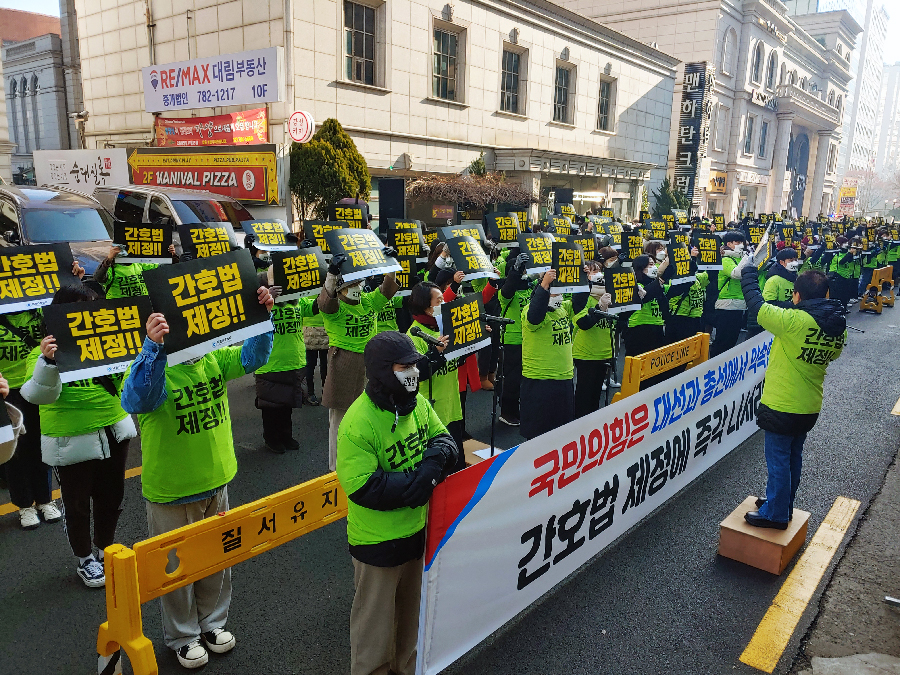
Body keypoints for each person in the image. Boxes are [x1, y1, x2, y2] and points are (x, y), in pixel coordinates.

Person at [120, 287, 274, 669]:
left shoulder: (214, 360)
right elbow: (135, 400)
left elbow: (254, 356)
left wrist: (261, 318)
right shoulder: (153, 365)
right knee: (176, 569)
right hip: (173, 489)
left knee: (218, 559)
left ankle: (212, 623)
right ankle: (182, 635)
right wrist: (152, 348)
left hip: (217, 480)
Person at [335, 332, 458, 675]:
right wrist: (416, 484)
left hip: (417, 533)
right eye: (405, 367)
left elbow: (445, 440)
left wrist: (431, 469)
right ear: (382, 370)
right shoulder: (358, 422)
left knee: (409, 622)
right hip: (376, 542)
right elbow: (362, 487)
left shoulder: (416, 403)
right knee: (373, 632)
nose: (413, 373)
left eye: (415, 365)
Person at [21, 284, 136, 588]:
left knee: (112, 497)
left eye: (94, 306)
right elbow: (35, 396)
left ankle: (105, 548)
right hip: (70, 440)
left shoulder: (110, 344)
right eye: (79, 308)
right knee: (76, 503)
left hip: (115, 429)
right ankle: (85, 558)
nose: (89, 314)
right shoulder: (42, 352)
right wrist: (47, 363)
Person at [740, 266, 846, 529]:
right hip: (809, 405)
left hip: (782, 404)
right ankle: (782, 503)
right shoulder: (838, 328)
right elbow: (833, 356)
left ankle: (775, 514)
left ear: (797, 296)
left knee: (778, 461)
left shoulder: (792, 321)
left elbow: (756, 303)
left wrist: (749, 272)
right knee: (793, 458)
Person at [2, 259, 83, 529]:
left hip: (37, 381)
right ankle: (24, 505)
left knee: (41, 444)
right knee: (14, 451)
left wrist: (73, 280)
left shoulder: (38, 309)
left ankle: (45, 500)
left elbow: (69, 308)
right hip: (6, 392)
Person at [319, 252, 399, 471]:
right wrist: (332, 274)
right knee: (340, 419)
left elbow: (387, 289)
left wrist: (390, 265)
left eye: (360, 283)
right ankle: (336, 467)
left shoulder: (368, 301)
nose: (358, 287)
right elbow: (325, 302)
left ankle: (365, 459)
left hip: (369, 366)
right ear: (341, 287)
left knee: (369, 414)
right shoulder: (335, 308)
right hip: (343, 366)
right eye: (352, 284)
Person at [406, 282, 468, 470]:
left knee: (457, 465)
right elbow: (416, 375)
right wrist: (436, 353)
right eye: (439, 300)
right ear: (426, 307)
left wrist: (474, 339)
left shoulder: (445, 328)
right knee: (438, 467)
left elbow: (458, 361)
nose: (445, 303)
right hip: (432, 412)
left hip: (453, 406)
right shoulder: (414, 335)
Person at [255, 292, 318, 454]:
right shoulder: (261, 301)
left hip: (293, 361)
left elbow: (316, 307)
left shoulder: (297, 300)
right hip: (269, 363)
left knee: (287, 404)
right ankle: (271, 438)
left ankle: (286, 435)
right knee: (270, 406)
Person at [520, 269, 575, 440]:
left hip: (564, 378)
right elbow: (535, 317)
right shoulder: (530, 310)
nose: (559, 293)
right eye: (555, 289)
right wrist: (544, 284)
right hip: (540, 380)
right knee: (538, 434)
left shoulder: (562, 308)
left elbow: (579, 303)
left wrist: (584, 278)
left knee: (562, 432)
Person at [572, 261, 614, 418]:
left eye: (599, 270)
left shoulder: (609, 295)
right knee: (584, 395)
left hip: (604, 351)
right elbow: (584, 323)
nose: (598, 274)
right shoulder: (581, 298)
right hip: (586, 353)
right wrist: (599, 309)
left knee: (596, 395)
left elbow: (621, 322)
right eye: (592, 271)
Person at [497, 251, 533, 426]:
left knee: (523, 378)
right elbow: (509, 286)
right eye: (522, 270)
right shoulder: (506, 292)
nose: (525, 274)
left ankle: (518, 409)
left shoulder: (528, 287)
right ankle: (507, 412)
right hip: (512, 340)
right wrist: (516, 270)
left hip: (529, 339)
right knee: (511, 379)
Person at [712, 231, 751, 357]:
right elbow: (736, 274)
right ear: (729, 244)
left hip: (739, 304)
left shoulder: (741, 258)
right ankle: (713, 365)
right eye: (737, 242)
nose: (741, 245)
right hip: (726, 304)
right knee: (722, 341)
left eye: (742, 242)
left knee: (732, 341)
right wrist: (747, 257)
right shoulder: (726, 259)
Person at [623, 254, 669, 362]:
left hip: (657, 326)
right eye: (650, 264)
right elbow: (646, 295)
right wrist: (660, 280)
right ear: (641, 267)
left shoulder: (654, 284)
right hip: (639, 328)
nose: (654, 267)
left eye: (654, 264)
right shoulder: (635, 285)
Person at [94, 243, 177, 298]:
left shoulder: (140, 264)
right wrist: (108, 259)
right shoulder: (111, 268)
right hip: (120, 311)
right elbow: (99, 277)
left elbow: (165, 268)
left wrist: (171, 256)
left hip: (143, 308)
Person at [665, 246, 708, 343]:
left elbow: (711, 275)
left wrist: (716, 257)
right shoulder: (672, 277)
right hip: (679, 317)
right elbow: (685, 282)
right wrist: (692, 259)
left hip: (696, 317)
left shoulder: (698, 278)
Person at [827, 236, 856, 309]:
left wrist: (852, 254)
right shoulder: (836, 252)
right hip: (837, 276)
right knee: (838, 295)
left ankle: (844, 308)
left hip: (845, 275)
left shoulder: (845, 251)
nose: (846, 244)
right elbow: (841, 262)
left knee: (845, 294)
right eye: (844, 243)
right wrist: (849, 253)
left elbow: (849, 261)